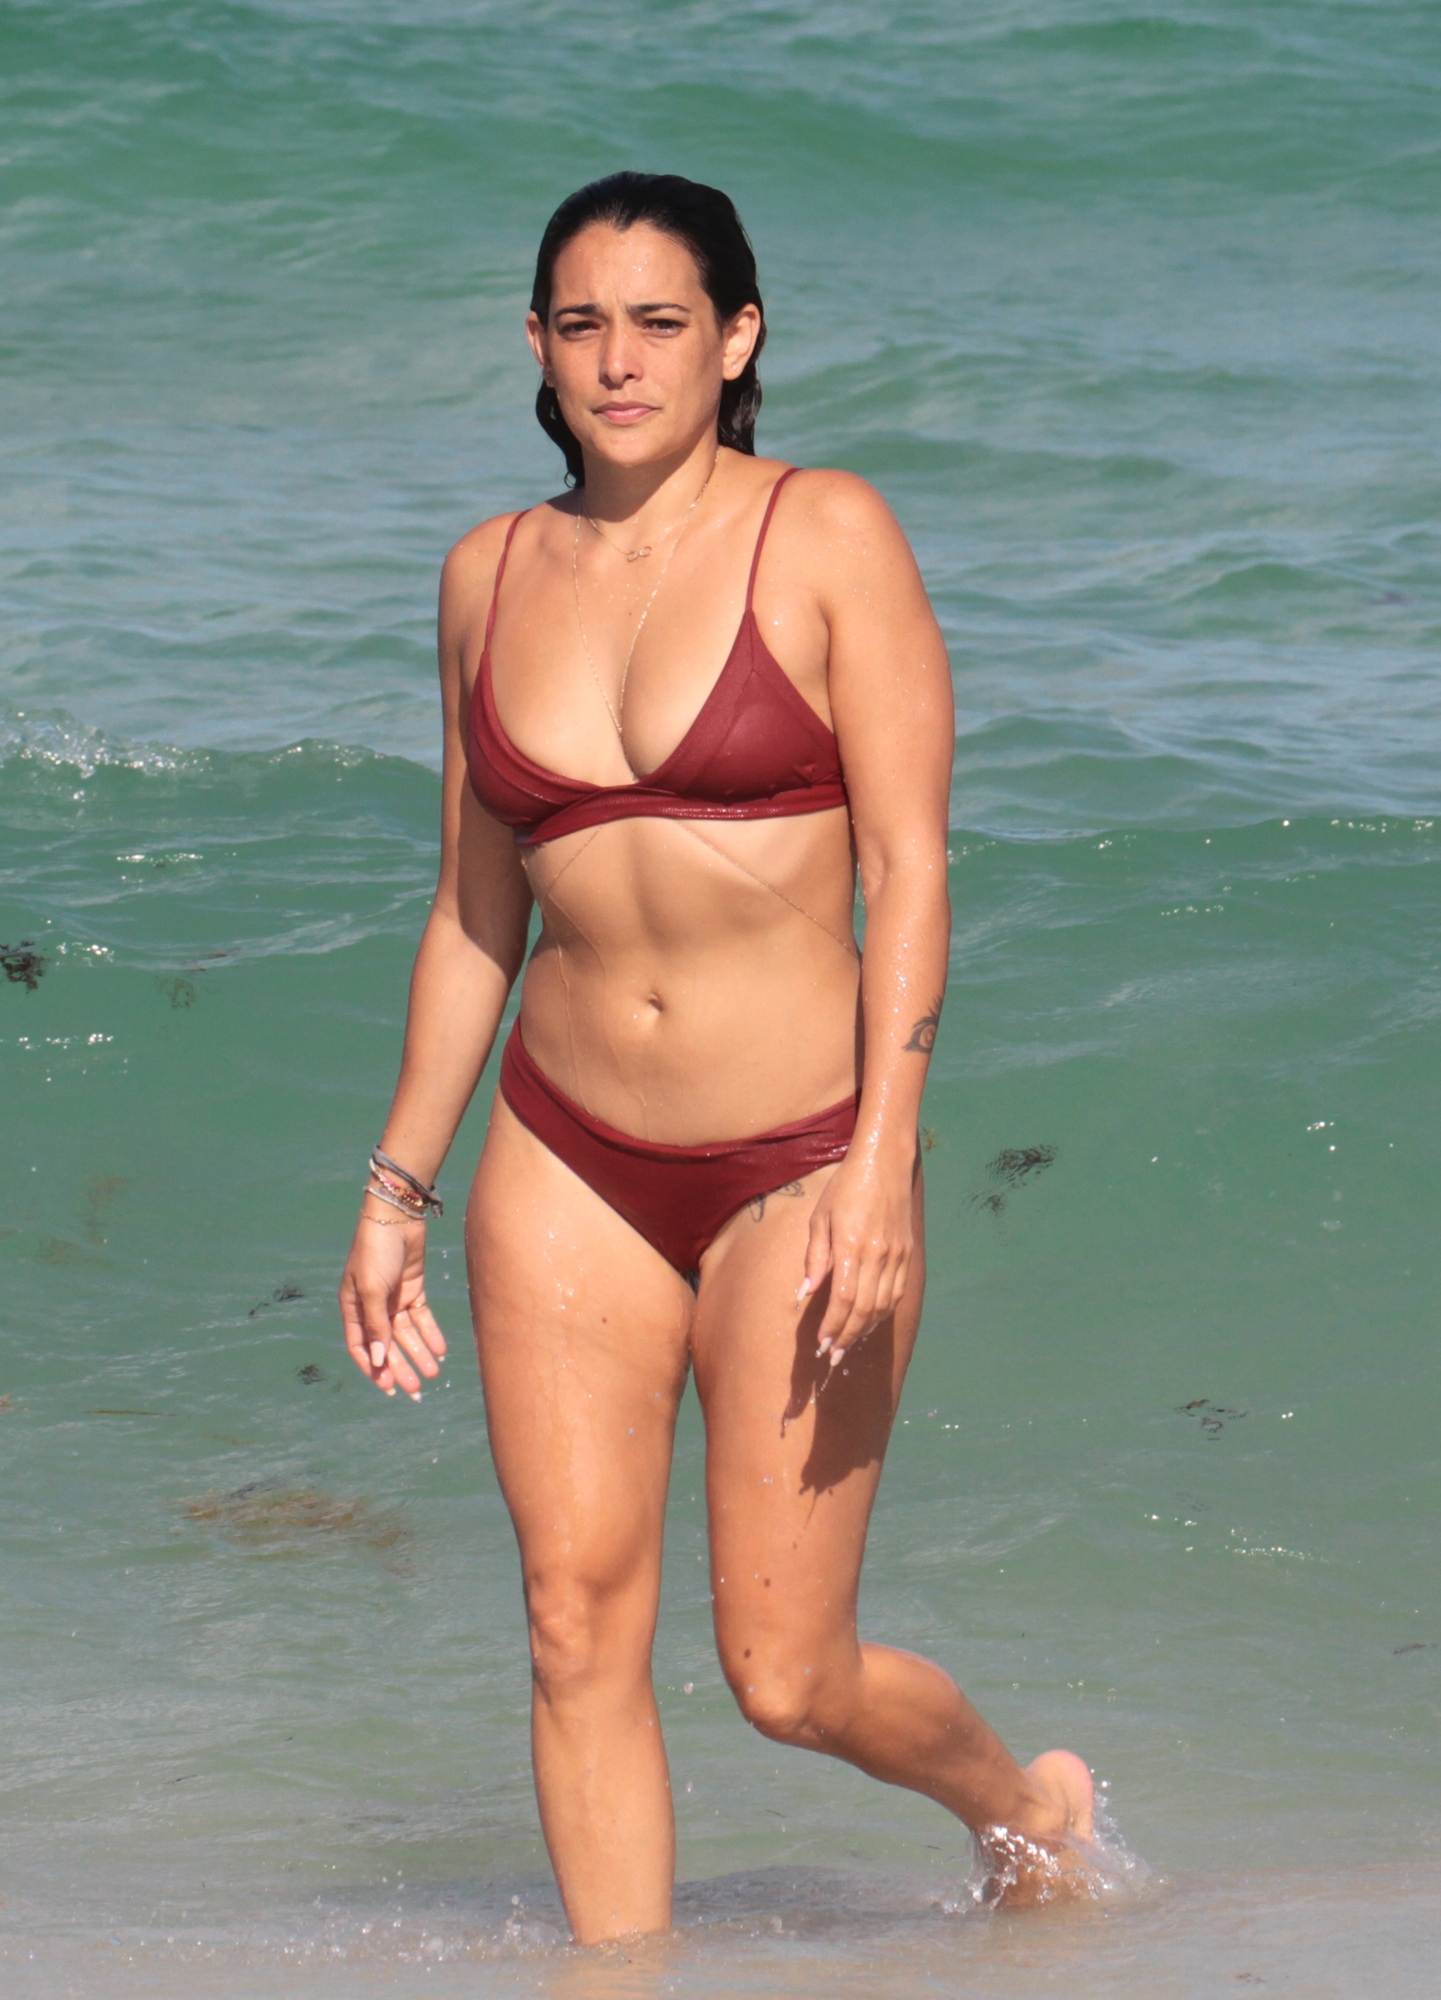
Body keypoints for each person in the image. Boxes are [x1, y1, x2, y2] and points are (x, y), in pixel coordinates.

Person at [339, 171, 1094, 1945]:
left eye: (660, 322)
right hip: (564, 1156)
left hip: (801, 1158)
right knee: (572, 1627)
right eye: (581, 324)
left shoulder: (824, 534)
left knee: (785, 1673)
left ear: (736, 338)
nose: (619, 361)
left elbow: (909, 864)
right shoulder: (484, 576)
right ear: (536, 345)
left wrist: (883, 1163)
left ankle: (1024, 1809)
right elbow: (473, 916)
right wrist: (394, 1185)